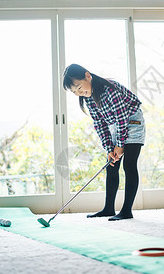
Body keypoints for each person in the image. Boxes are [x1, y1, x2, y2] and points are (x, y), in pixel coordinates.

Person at [63, 64, 145, 221]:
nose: (79, 93)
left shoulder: (111, 89)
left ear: (88, 76)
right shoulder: (88, 99)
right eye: (75, 92)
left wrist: (120, 146)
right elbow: (100, 125)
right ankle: (108, 208)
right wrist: (110, 149)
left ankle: (126, 211)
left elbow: (122, 119)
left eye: (79, 87)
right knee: (111, 165)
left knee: (129, 164)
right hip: (116, 127)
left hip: (133, 122)